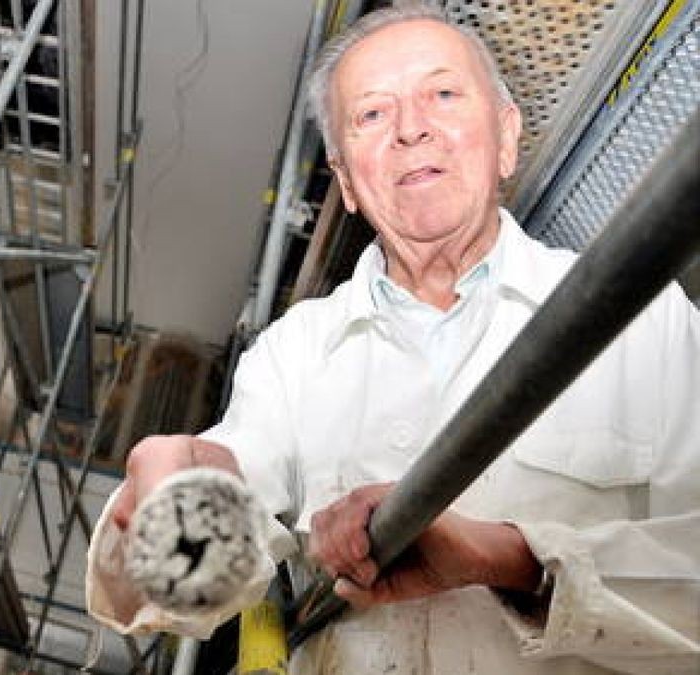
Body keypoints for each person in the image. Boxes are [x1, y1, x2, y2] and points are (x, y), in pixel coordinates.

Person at [86, 5, 700, 674]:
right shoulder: (294, 354)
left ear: (506, 137)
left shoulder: (643, 320)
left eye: (443, 93)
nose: (412, 129)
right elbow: (181, 581)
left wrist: (511, 557)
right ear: (347, 181)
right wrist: (180, 491)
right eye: (372, 115)